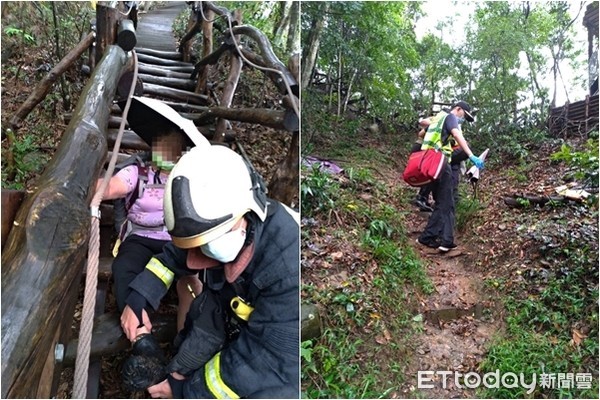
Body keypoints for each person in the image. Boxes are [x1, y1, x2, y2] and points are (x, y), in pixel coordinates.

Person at [119, 144, 299, 398]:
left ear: (248, 212)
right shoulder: (216, 225)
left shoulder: (288, 271)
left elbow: (264, 365)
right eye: (196, 245)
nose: (199, 255)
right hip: (224, 318)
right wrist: (140, 296)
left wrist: (184, 391)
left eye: (209, 243)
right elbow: (171, 258)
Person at [97, 97, 210, 342]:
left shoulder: (189, 180)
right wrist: (86, 188)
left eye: (173, 146)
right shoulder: (138, 171)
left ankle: (186, 343)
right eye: (163, 144)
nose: (166, 150)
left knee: (191, 284)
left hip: (175, 242)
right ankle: (141, 335)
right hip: (139, 237)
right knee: (124, 268)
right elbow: (112, 187)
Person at [416, 101, 484, 252]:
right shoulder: (450, 117)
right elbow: (457, 133)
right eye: (463, 115)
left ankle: (434, 237)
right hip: (441, 163)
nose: (462, 119)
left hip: (428, 163)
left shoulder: (438, 118)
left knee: (442, 201)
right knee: (446, 202)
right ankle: (433, 238)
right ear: (458, 109)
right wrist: (471, 155)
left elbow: (421, 133)